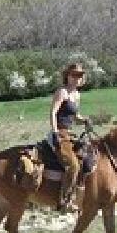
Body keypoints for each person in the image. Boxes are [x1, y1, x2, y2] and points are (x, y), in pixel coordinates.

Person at [49, 62, 90, 212]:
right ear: (67, 75)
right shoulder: (62, 92)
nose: (77, 78)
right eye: (74, 75)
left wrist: (84, 120)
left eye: (80, 75)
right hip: (60, 132)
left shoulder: (76, 95)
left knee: (87, 158)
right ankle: (63, 200)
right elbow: (53, 112)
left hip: (70, 133)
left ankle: (80, 195)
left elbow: (75, 116)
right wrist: (55, 133)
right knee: (73, 165)